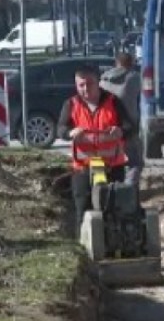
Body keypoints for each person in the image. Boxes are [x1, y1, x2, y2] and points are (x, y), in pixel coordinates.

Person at [57, 63, 135, 237]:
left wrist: (121, 130)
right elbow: (60, 129)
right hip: (82, 167)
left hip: (113, 166)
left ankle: (114, 244)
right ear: (76, 86)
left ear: (98, 82)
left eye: (90, 83)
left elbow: (130, 126)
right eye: (81, 85)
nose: (85, 89)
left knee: (115, 209)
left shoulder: (113, 102)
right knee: (82, 209)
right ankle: (84, 249)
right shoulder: (71, 104)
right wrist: (70, 132)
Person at [100, 52, 143, 190]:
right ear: (131, 63)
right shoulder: (133, 78)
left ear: (116, 63)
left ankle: (100, 189)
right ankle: (128, 191)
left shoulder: (102, 80)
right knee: (134, 162)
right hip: (127, 127)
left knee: (102, 161)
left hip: (105, 127)